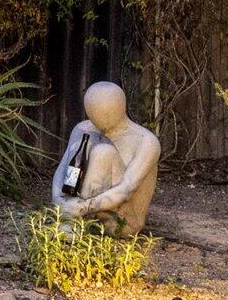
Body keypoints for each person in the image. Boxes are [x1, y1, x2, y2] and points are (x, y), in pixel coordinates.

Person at [48, 80, 159, 233]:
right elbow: (61, 172)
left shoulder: (146, 141)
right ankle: (71, 221)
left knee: (103, 152)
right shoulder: (83, 128)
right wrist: (58, 199)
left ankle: (75, 222)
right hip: (78, 211)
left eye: (106, 113)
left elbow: (126, 190)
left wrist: (82, 207)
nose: (100, 121)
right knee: (82, 143)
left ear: (120, 108)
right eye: (94, 114)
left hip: (121, 221)